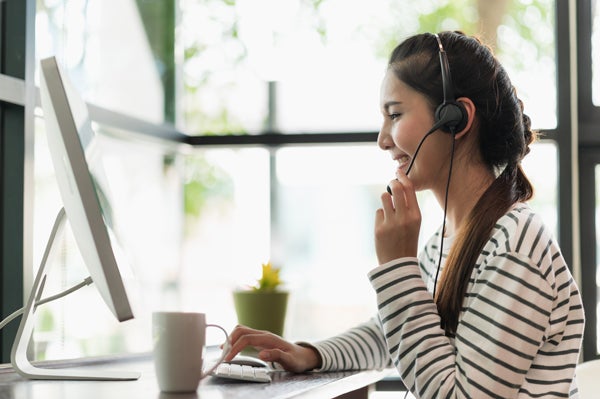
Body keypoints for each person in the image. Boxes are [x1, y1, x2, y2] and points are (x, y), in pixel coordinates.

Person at [224, 31, 585, 398]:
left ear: (456, 119)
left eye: (394, 114)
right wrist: (309, 354)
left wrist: (398, 266)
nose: (382, 139)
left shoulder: (513, 247)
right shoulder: (447, 241)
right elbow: (389, 333)